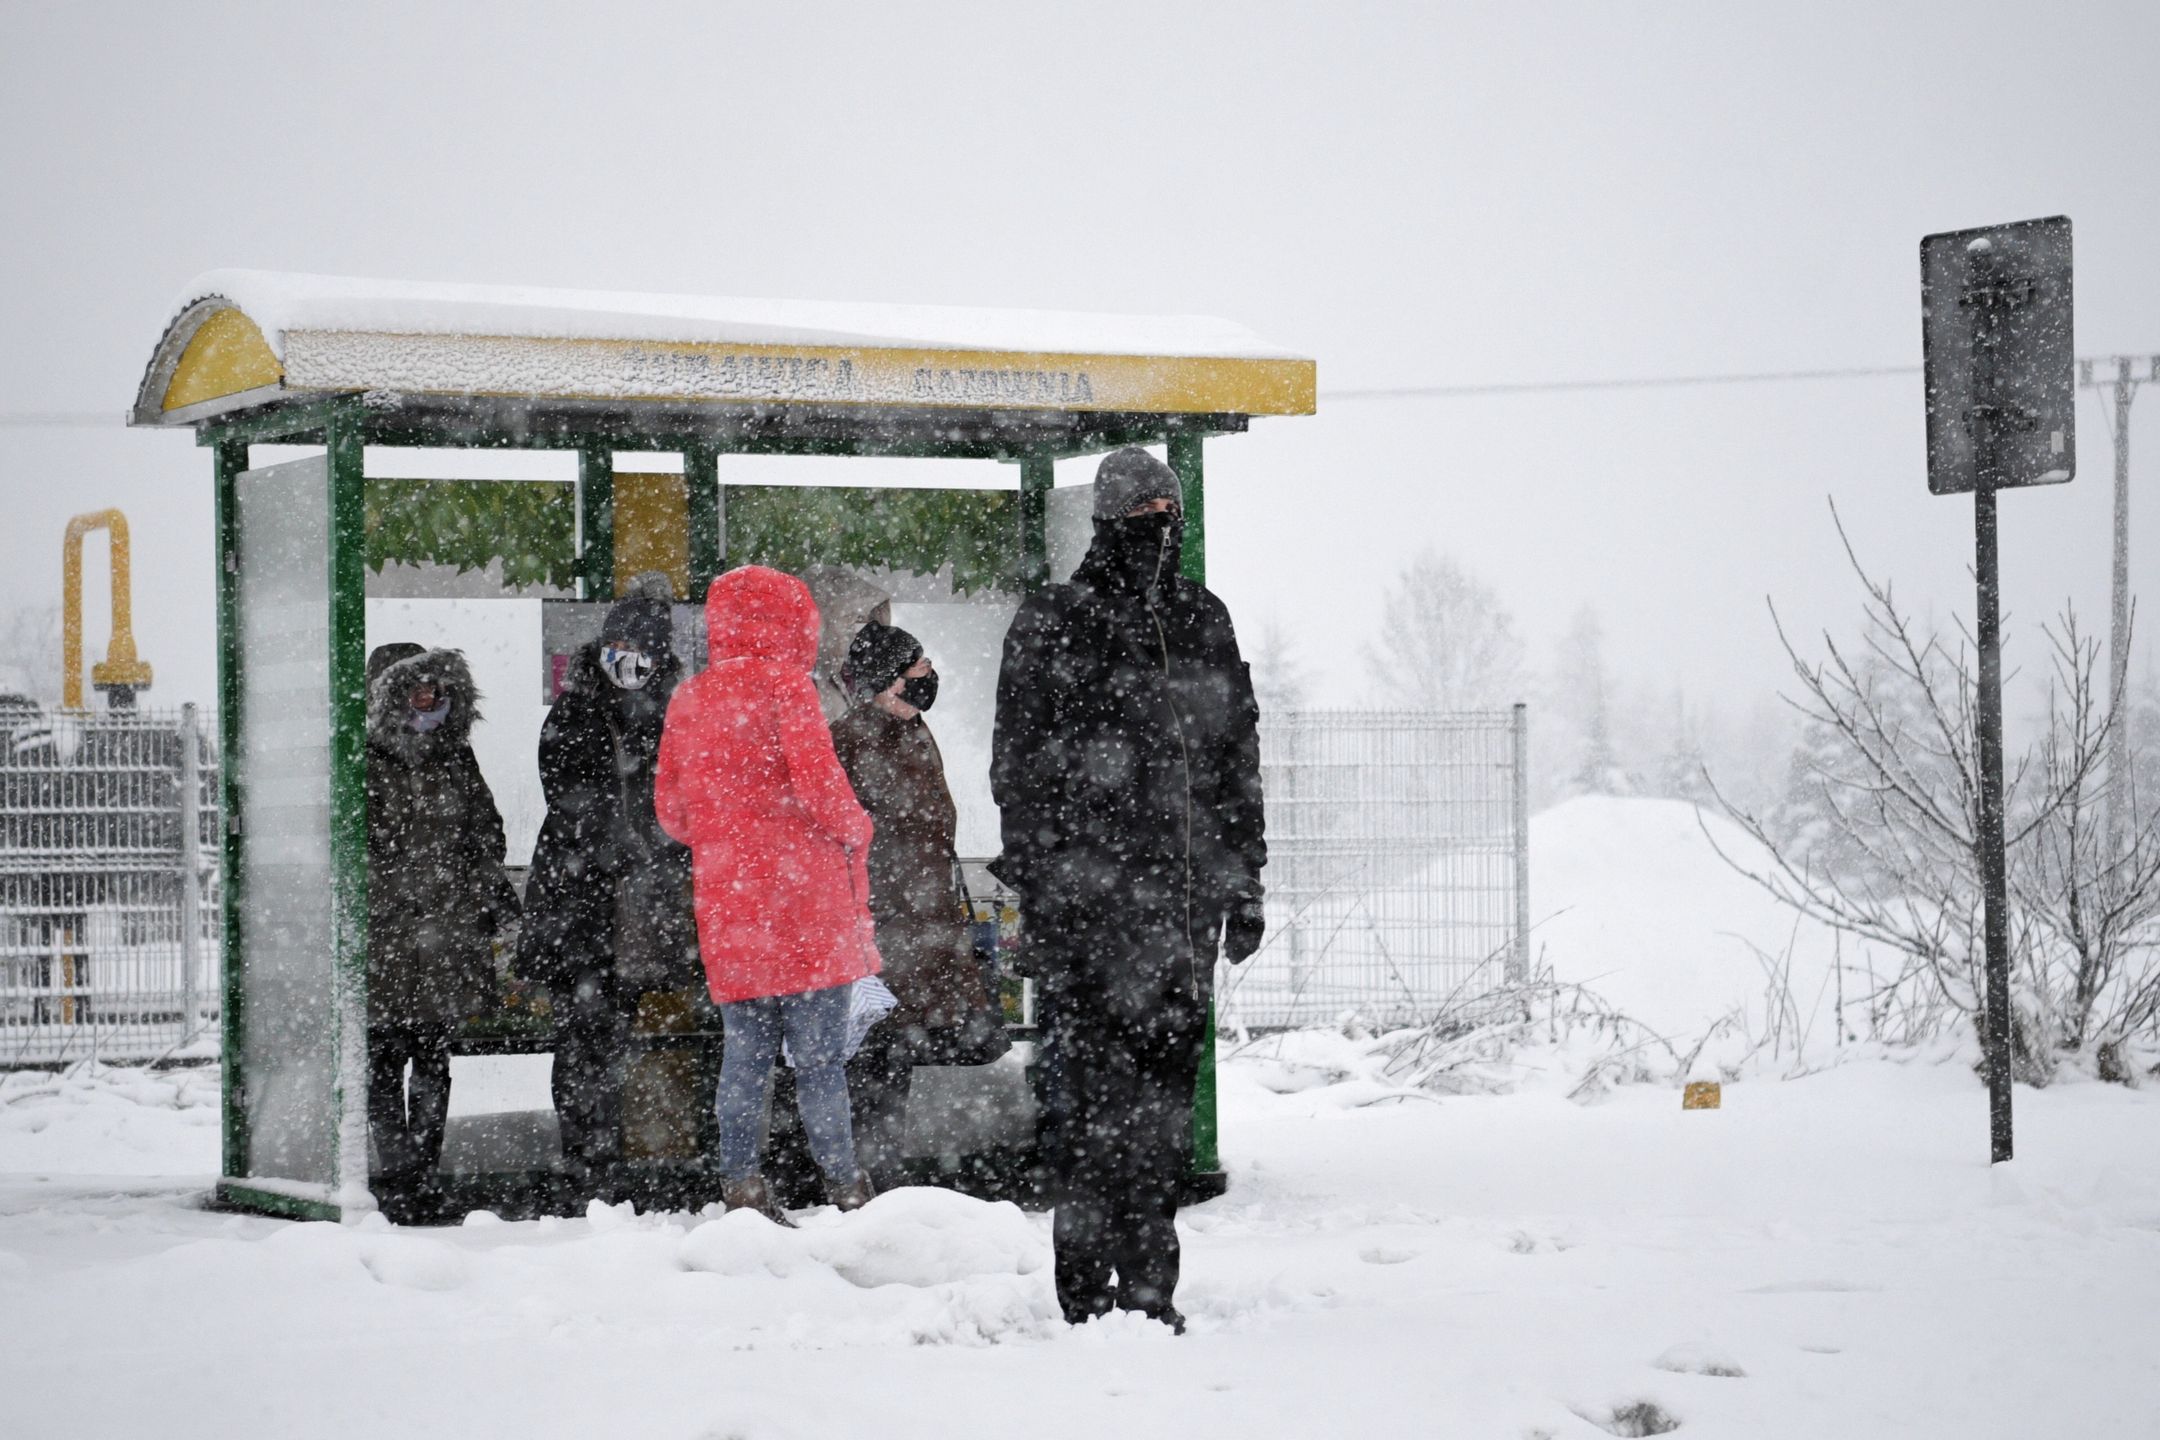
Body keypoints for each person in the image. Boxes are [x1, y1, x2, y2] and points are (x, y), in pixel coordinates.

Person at [990, 446, 1268, 1331]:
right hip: (1084, 918)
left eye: (1168, 516)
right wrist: (1040, 890)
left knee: (1159, 1114)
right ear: (1107, 522)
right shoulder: (1053, 619)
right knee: (1082, 1107)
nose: (1159, 532)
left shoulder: (1202, 617)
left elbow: (1237, 761)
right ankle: (1083, 1293)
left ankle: (1151, 1294)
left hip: (1182, 920)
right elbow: (1017, 771)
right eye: (1141, 517)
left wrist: (1248, 879)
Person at [655, 565, 881, 1224]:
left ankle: (741, 1185)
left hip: (730, 908)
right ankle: (844, 1185)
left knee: (744, 1058)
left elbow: (673, 813)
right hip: (804, 903)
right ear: (795, 624)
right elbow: (822, 790)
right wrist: (857, 826)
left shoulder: (688, 699)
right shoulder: (790, 689)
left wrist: (733, 831)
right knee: (818, 1062)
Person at [519, 574, 699, 1191]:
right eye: (617, 650)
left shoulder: (676, 711)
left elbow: (682, 797)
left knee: (614, 1032)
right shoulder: (573, 710)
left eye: (642, 654)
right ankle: (584, 1161)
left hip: (637, 909)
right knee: (580, 1035)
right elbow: (566, 794)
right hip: (579, 903)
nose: (629, 665)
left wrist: (659, 850)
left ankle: (606, 1156)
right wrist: (618, 843)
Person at [830, 622, 1007, 1190]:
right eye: (915, 671)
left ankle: (874, 1175)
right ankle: (856, 1178)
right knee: (867, 1055)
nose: (928, 678)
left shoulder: (911, 730)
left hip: (915, 921)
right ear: (884, 684)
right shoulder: (851, 739)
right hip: (877, 929)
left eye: (926, 665)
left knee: (890, 1057)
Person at [365, 643, 519, 1210]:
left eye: (436, 689)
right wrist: (396, 885)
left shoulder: (455, 755)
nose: (428, 699)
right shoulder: (362, 758)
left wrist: (470, 883)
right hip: (386, 936)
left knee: (432, 1055)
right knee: (383, 1056)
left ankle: (423, 1173)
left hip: (446, 933)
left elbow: (487, 829)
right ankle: (396, 1170)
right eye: (416, 688)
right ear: (389, 694)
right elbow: (351, 846)